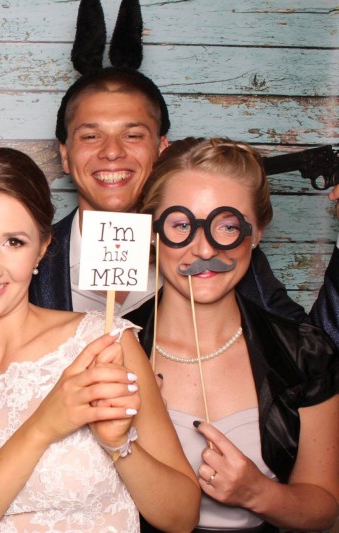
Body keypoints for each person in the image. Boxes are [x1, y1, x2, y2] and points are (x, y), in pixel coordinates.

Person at [0, 147, 199, 532]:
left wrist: (119, 446)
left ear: (42, 248)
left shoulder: (103, 344)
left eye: (13, 242)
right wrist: (42, 427)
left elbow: (182, 518)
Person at [29, 0, 314, 332]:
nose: (112, 152)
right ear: (65, 155)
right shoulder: (33, 258)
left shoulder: (217, 248)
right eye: (91, 136)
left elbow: (311, 348)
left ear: (162, 148)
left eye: (133, 135)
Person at [127, 138, 339, 531]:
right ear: (153, 232)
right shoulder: (110, 351)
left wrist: (257, 493)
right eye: (181, 225)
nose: (204, 249)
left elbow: (323, 508)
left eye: (227, 226)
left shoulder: (304, 353)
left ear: (256, 233)